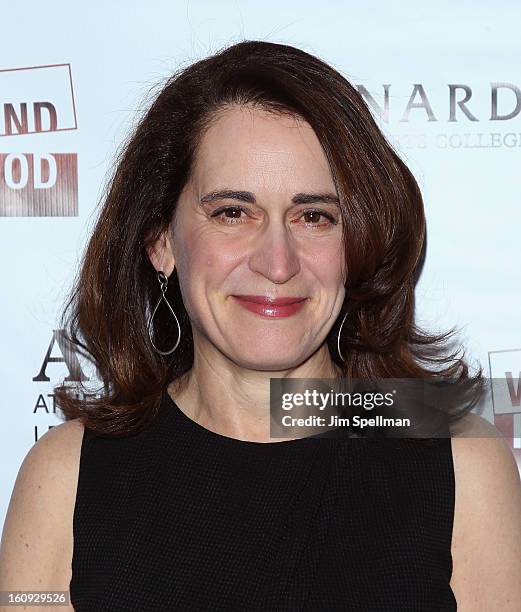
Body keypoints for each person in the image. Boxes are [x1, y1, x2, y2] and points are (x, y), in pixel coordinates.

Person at [1, 39, 520, 611]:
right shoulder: (67, 477)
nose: (277, 262)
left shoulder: (459, 460)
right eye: (232, 212)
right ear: (160, 241)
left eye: (314, 216)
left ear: (358, 243)